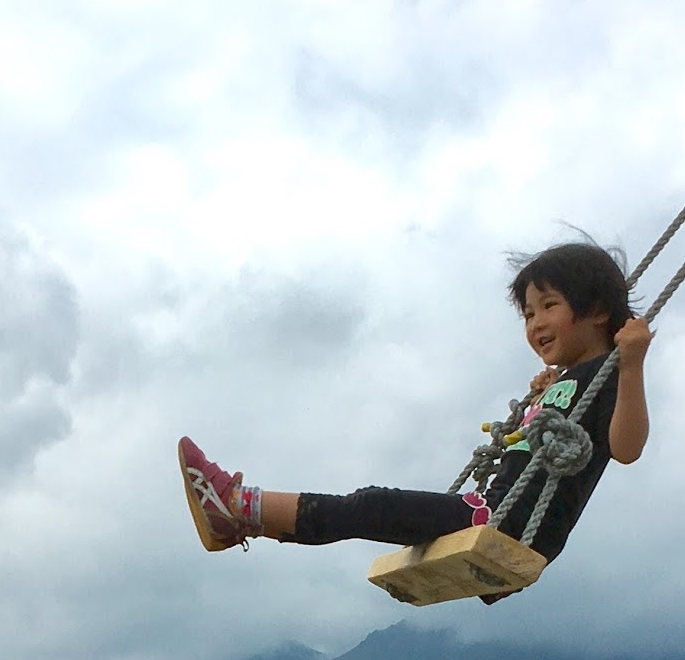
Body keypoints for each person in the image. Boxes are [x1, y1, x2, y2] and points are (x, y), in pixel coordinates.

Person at [176, 241, 652, 598]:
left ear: (595, 310)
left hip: (508, 527)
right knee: (368, 511)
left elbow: (626, 448)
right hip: (492, 512)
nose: (535, 324)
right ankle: (240, 521)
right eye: (528, 314)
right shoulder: (567, 382)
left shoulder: (609, 374)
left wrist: (631, 365)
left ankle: (240, 507)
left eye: (550, 306)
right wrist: (539, 408)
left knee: (371, 505)